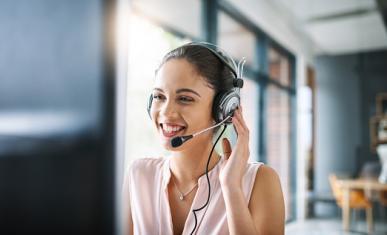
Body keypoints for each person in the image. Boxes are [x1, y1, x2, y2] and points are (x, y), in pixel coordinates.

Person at [123, 42, 285, 235]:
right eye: (159, 96)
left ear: (223, 109)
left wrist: (232, 188)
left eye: (185, 98)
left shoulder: (260, 181)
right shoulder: (139, 175)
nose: (166, 111)